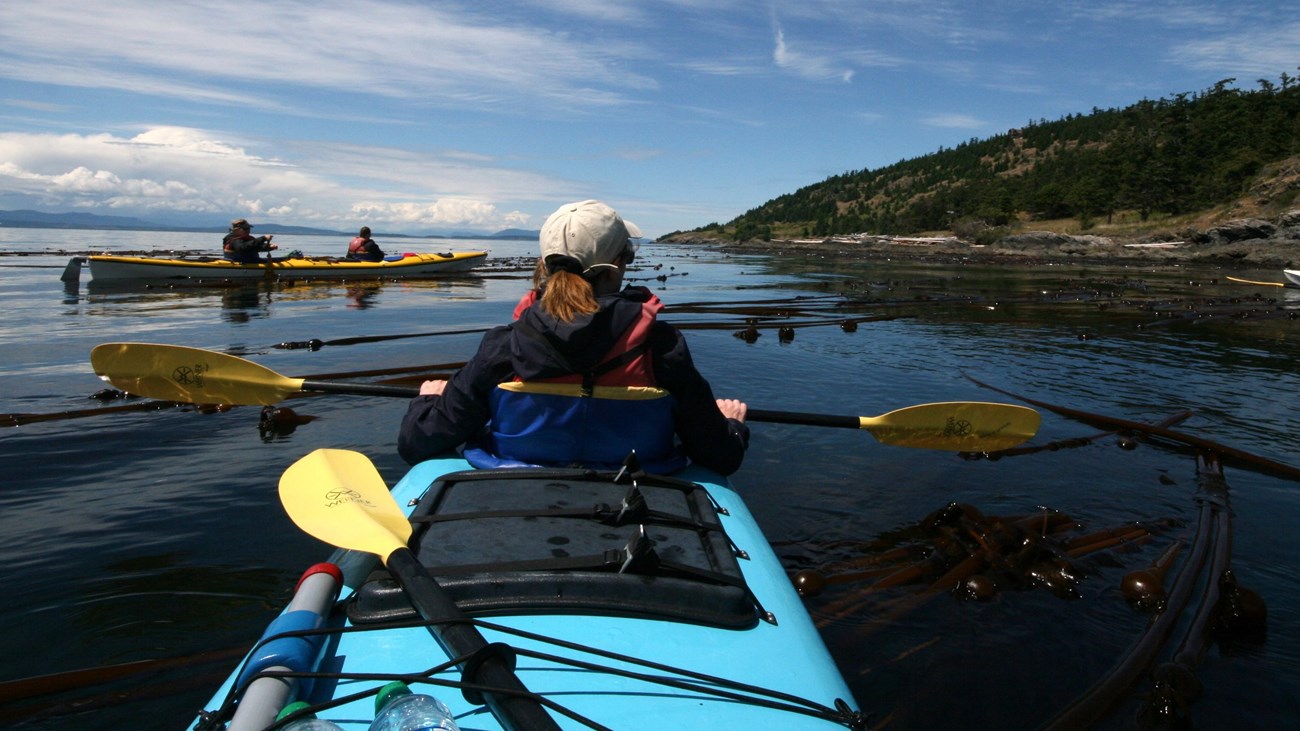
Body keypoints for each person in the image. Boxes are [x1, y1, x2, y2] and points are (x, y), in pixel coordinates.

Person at [398, 199, 749, 475]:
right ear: (621, 262)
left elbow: (416, 443)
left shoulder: (504, 347)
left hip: (514, 484)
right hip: (637, 486)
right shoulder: (661, 347)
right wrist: (731, 425)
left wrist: (428, 403)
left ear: (545, 264)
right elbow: (721, 457)